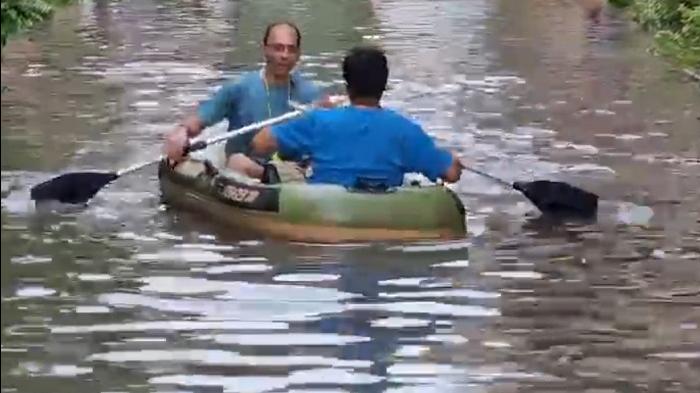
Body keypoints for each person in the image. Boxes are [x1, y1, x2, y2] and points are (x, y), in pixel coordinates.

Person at [249, 45, 463, 188]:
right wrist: (452, 160)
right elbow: (451, 174)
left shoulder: (319, 120)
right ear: (384, 85)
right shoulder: (406, 130)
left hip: (325, 209)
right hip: (382, 213)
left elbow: (260, 143)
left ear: (347, 84)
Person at [164, 21, 330, 178]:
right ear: (265, 49)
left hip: (289, 172)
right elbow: (202, 118)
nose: (284, 55)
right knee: (238, 162)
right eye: (278, 48)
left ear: (298, 54)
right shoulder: (240, 87)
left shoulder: (310, 93)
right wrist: (182, 131)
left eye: (290, 49)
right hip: (246, 171)